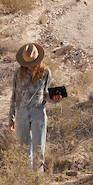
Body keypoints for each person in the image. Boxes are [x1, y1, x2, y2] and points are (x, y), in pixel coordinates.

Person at [8, 42, 60, 172]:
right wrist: (11, 118)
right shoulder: (18, 72)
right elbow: (14, 95)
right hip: (21, 113)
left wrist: (55, 99)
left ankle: (37, 179)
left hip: (38, 112)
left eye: (32, 62)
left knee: (39, 149)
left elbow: (45, 95)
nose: (30, 66)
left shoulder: (46, 72)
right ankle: (26, 179)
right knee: (24, 150)